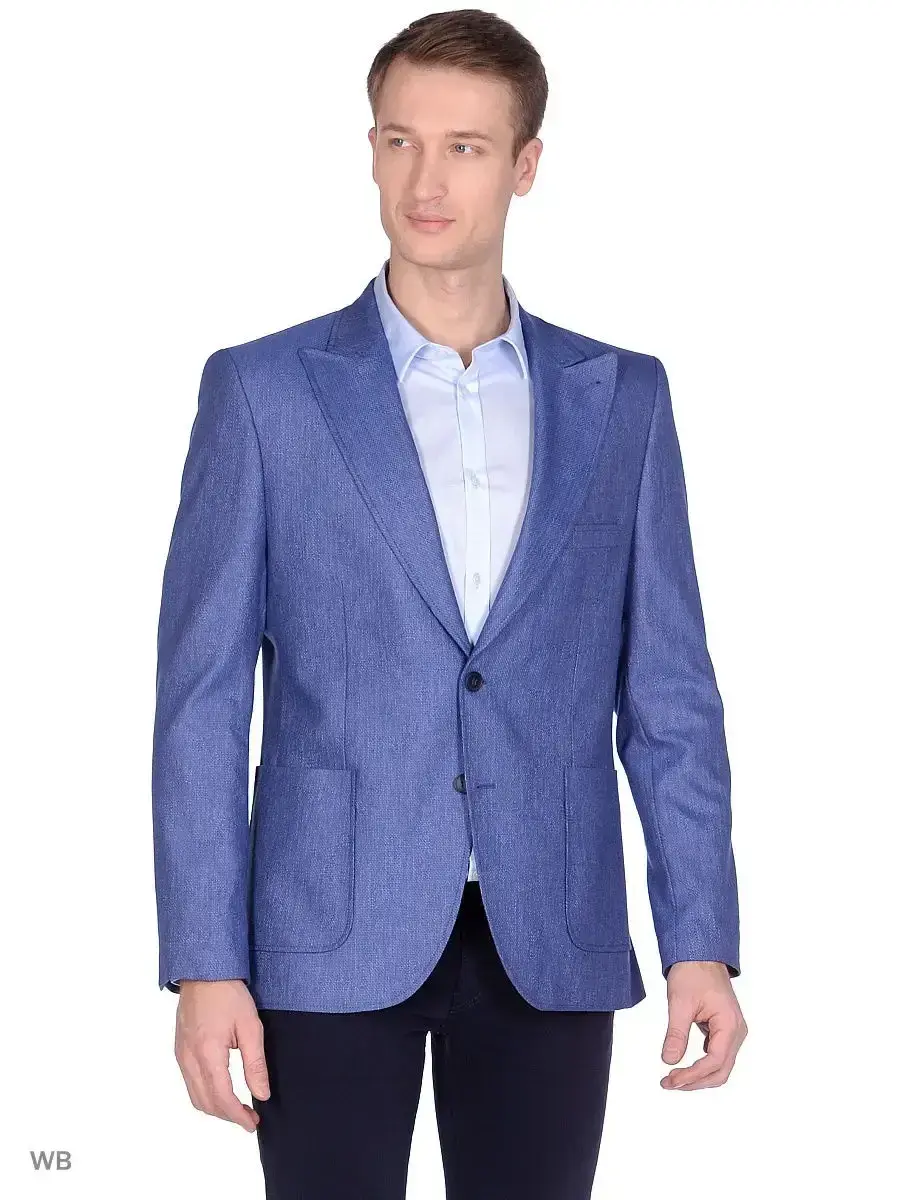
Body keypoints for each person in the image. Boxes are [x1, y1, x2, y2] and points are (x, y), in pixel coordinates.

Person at [151, 8, 747, 1198]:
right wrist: (205, 962)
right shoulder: (264, 394)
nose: (426, 182)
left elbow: (670, 694)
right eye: (401, 141)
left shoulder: (621, 398)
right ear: (371, 149)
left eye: (466, 147)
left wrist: (702, 940)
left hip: (552, 925)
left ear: (525, 165)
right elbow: (201, 703)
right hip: (325, 928)